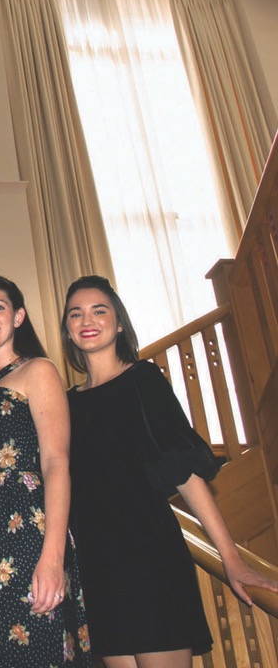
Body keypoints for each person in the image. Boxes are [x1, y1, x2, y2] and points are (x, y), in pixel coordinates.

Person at [61, 275, 278, 667]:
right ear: (68, 330)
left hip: (149, 558)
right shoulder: (65, 403)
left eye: (99, 310)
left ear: (119, 322)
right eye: (76, 313)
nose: (86, 320)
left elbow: (183, 473)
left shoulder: (143, 380)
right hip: (97, 567)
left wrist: (231, 557)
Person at [0, 275, 89, 666]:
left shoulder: (37, 370)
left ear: (19, 316)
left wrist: (52, 558)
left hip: (26, 537)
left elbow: (56, 463)